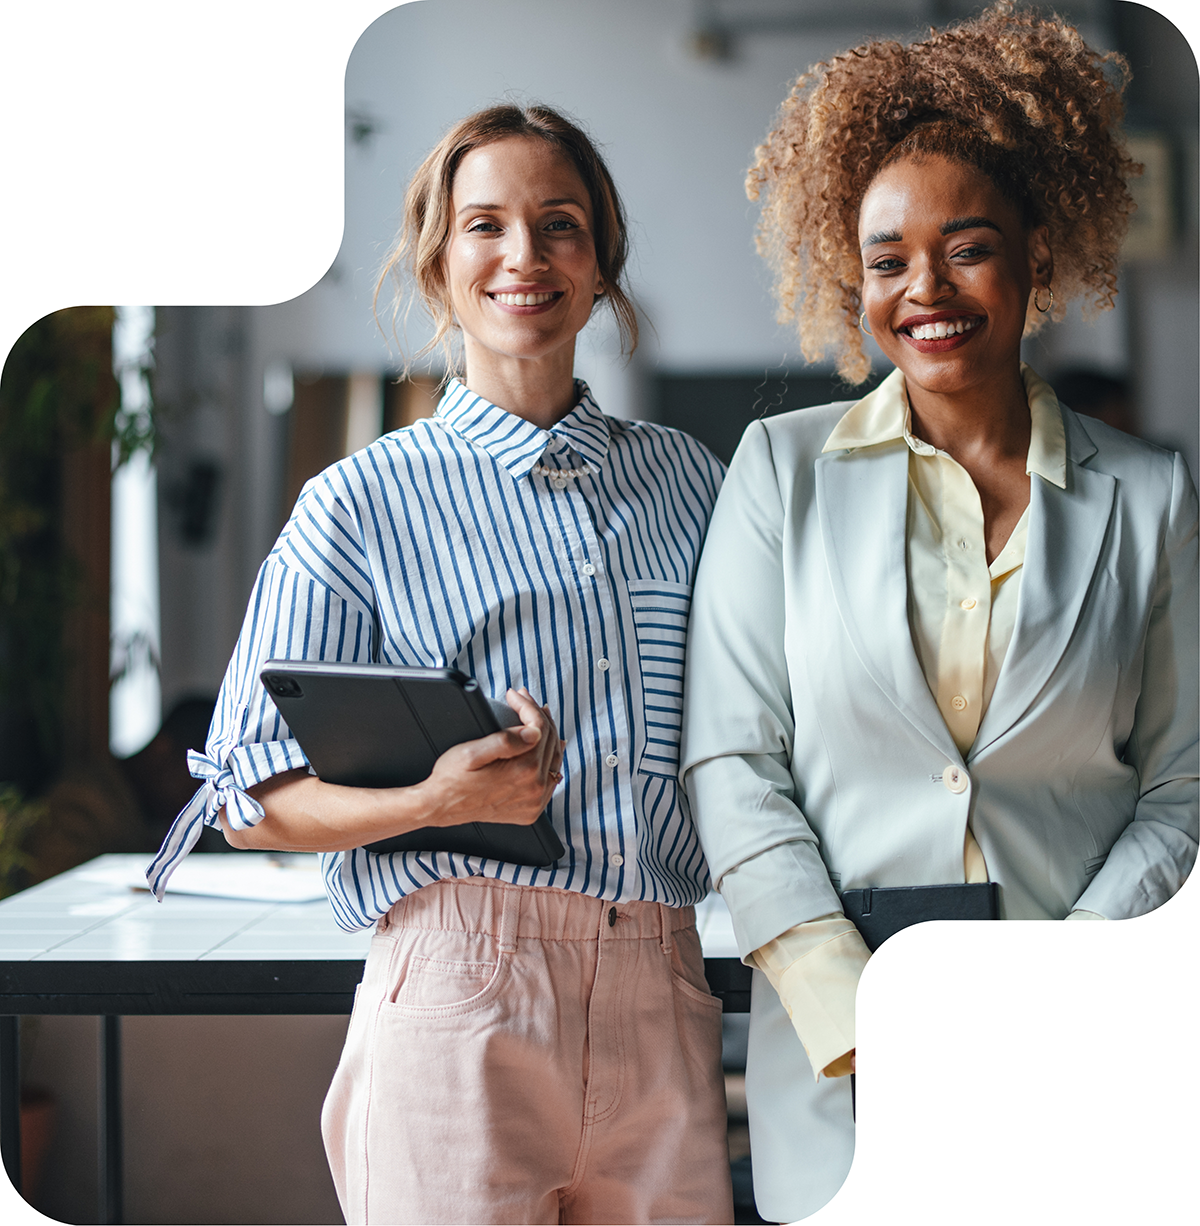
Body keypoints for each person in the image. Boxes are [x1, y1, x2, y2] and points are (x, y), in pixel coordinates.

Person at [147, 104, 734, 1225]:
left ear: (601, 260)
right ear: (438, 263)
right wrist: (436, 798)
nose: (525, 256)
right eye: (486, 225)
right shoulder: (358, 502)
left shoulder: (689, 483)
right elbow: (240, 798)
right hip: (461, 987)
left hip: (663, 978)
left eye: (559, 224)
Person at [679, 4, 1199, 1221]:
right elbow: (733, 759)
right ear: (848, 273)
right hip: (843, 1072)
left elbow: (1185, 784)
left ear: (1036, 249)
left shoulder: (1155, 497)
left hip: (1082, 1062)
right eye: (886, 258)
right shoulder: (778, 471)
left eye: (967, 246)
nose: (926, 290)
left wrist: (1062, 1000)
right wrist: (853, 1016)